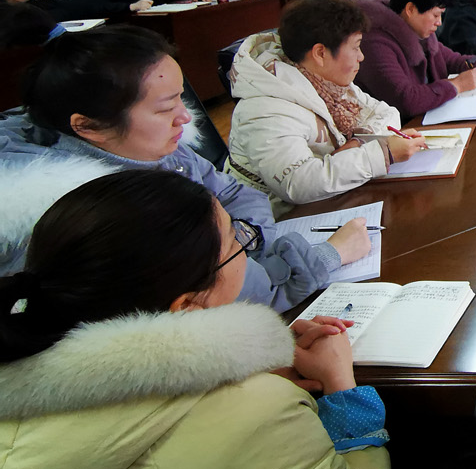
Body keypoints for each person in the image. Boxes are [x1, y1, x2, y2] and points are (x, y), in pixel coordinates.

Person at [0, 169, 394, 469]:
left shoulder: (21, 341)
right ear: (188, 306)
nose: (245, 247)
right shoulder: (261, 411)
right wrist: (341, 389)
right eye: (235, 240)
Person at [0, 25, 366, 309]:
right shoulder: (93, 218)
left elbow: (238, 194)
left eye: (180, 98)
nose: (184, 117)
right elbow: (231, 297)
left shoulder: (150, 147)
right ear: (88, 126)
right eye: (164, 108)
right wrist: (327, 256)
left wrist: (237, 238)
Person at [228, 0, 426, 210]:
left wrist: (357, 143)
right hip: (278, 216)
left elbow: (387, 113)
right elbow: (298, 183)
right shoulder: (267, 108)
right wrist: (383, 154)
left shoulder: (327, 82)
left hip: (332, 197)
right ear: (321, 53)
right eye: (356, 47)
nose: (361, 56)